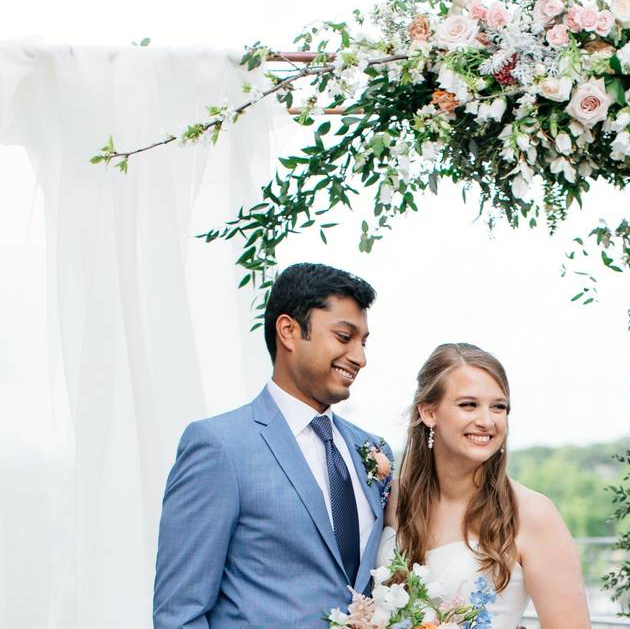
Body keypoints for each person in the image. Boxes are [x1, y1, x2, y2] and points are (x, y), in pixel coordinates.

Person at [154, 263, 393, 628]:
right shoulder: (220, 447)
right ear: (289, 331)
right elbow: (179, 613)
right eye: (344, 337)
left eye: (363, 342)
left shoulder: (374, 450)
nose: (360, 357)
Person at [378, 343, 591, 628]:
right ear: (429, 413)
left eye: (499, 407)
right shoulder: (392, 499)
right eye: (469, 405)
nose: (487, 421)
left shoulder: (533, 514)